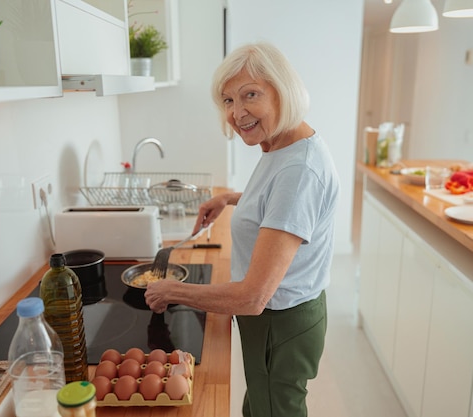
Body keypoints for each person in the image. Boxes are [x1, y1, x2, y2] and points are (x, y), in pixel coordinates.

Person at [145, 41, 340, 417]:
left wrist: (175, 291)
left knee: (272, 410)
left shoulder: (299, 170)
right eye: (228, 100)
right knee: (262, 405)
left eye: (251, 95)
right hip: (282, 319)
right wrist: (232, 198)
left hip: (279, 323)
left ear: (282, 92)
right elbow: (279, 202)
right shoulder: (283, 144)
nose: (237, 113)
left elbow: (253, 297)